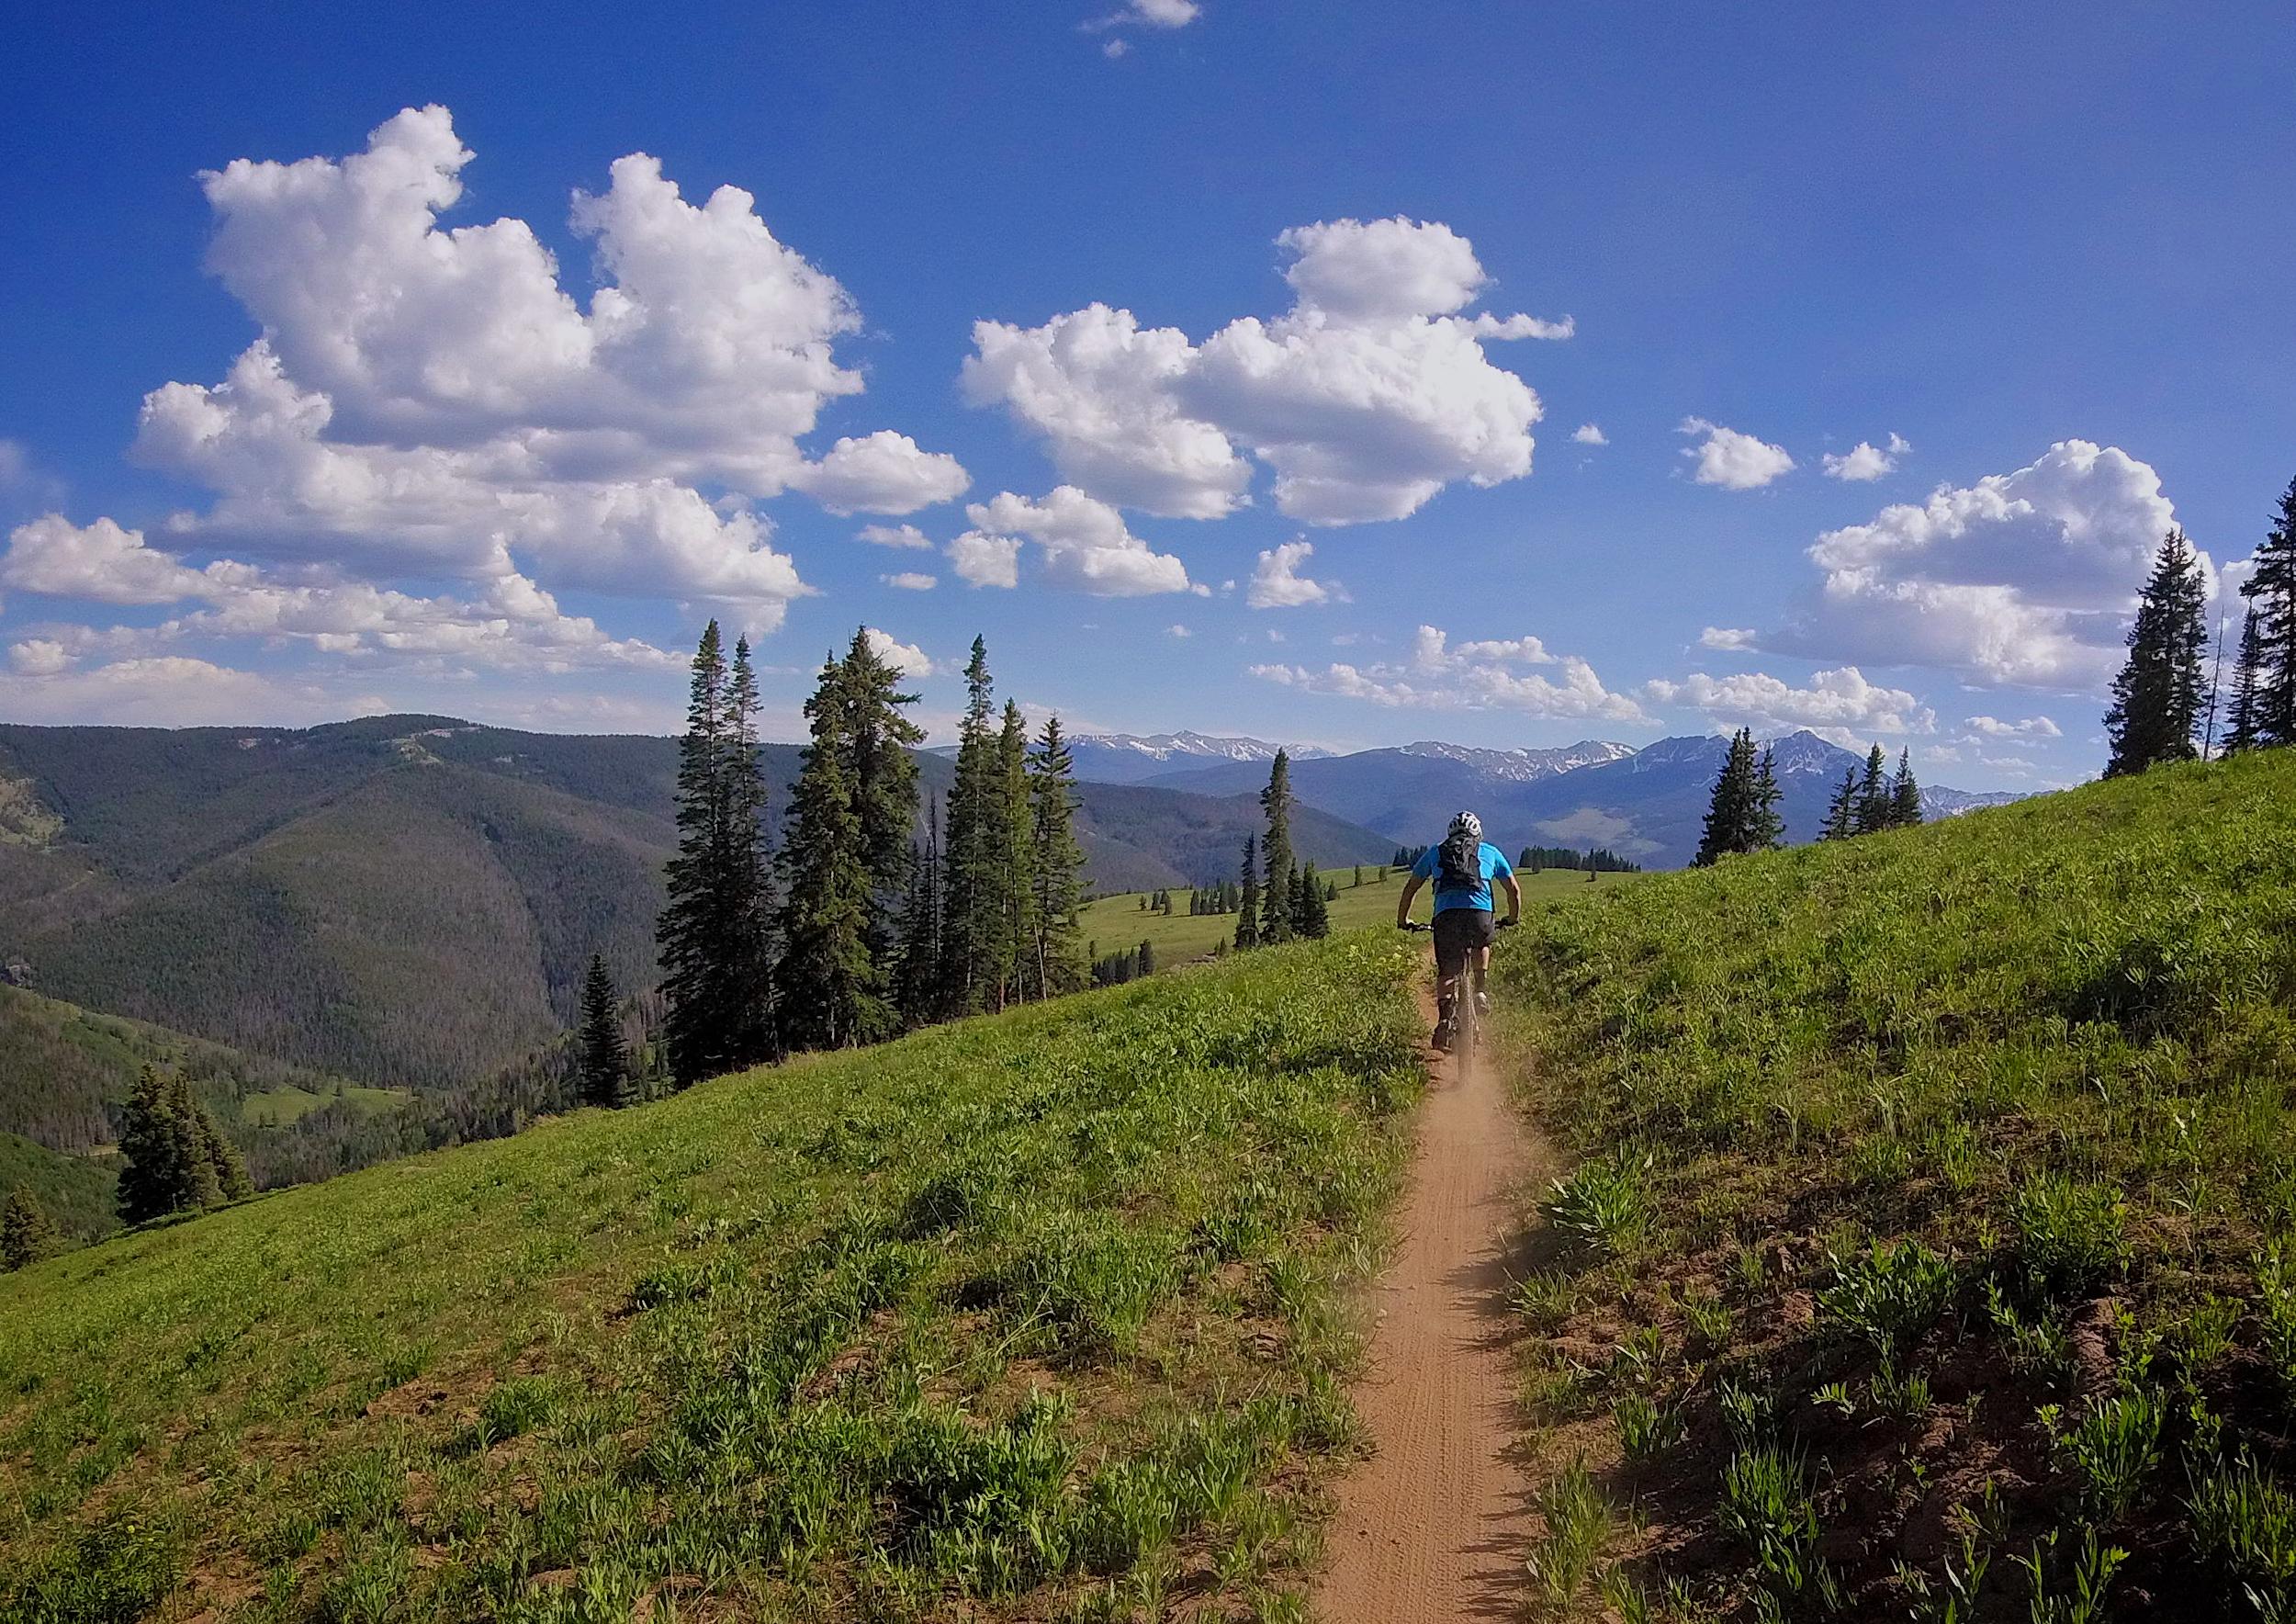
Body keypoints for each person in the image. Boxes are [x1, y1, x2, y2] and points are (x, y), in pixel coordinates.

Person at [1395, 811, 1521, 1049]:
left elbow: (1411, 887)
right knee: (1482, 943)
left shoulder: (1436, 852)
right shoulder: (1490, 852)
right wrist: (1512, 918)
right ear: (1478, 834)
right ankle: (1480, 991)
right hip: (1480, 915)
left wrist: (1404, 920)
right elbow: (1513, 889)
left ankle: (1444, 1020)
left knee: (1447, 971)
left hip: (1447, 916)